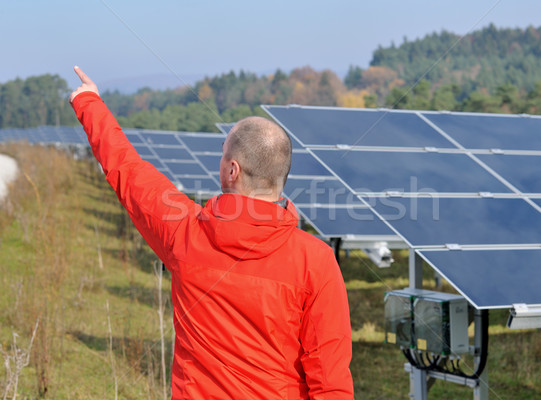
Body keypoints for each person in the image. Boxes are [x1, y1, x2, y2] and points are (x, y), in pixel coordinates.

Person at [69, 66, 354, 399]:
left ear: (232, 169)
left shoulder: (185, 232)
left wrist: (88, 101)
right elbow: (331, 382)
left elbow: (127, 170)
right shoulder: (316, 260)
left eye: (223, 155)